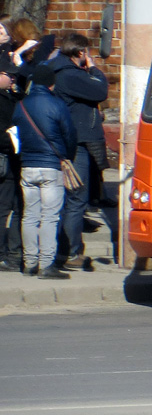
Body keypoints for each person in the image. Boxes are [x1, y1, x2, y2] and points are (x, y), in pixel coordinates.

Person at [48, 33, 111, 271]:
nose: (90, 57)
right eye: (87, 53)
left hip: (69, 141)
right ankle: (70, 252)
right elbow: (100, 91)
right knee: (76, 199)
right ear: (80, 53)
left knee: (71, 199)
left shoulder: (59, 71)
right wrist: (93, 70)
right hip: (76, 144)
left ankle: (66, 250)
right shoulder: (70, 75)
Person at [13, 64, 77, 279]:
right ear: (51, 84)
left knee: (29, 216)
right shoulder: (58, 105)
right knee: (49, 216)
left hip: (27, 166)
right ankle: (46, 264)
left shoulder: (20, 105)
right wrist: (67, 157)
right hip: (50, 167)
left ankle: (29, 263)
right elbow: (69, 135)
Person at [0, 56, 23, 272]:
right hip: (5, 159)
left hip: (12, 160)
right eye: (9, 75)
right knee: (4, 208)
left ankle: (13, 252)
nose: (13, 78)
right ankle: (3, 253)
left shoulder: (12, 97)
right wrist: (14, 139)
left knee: (15, 206)